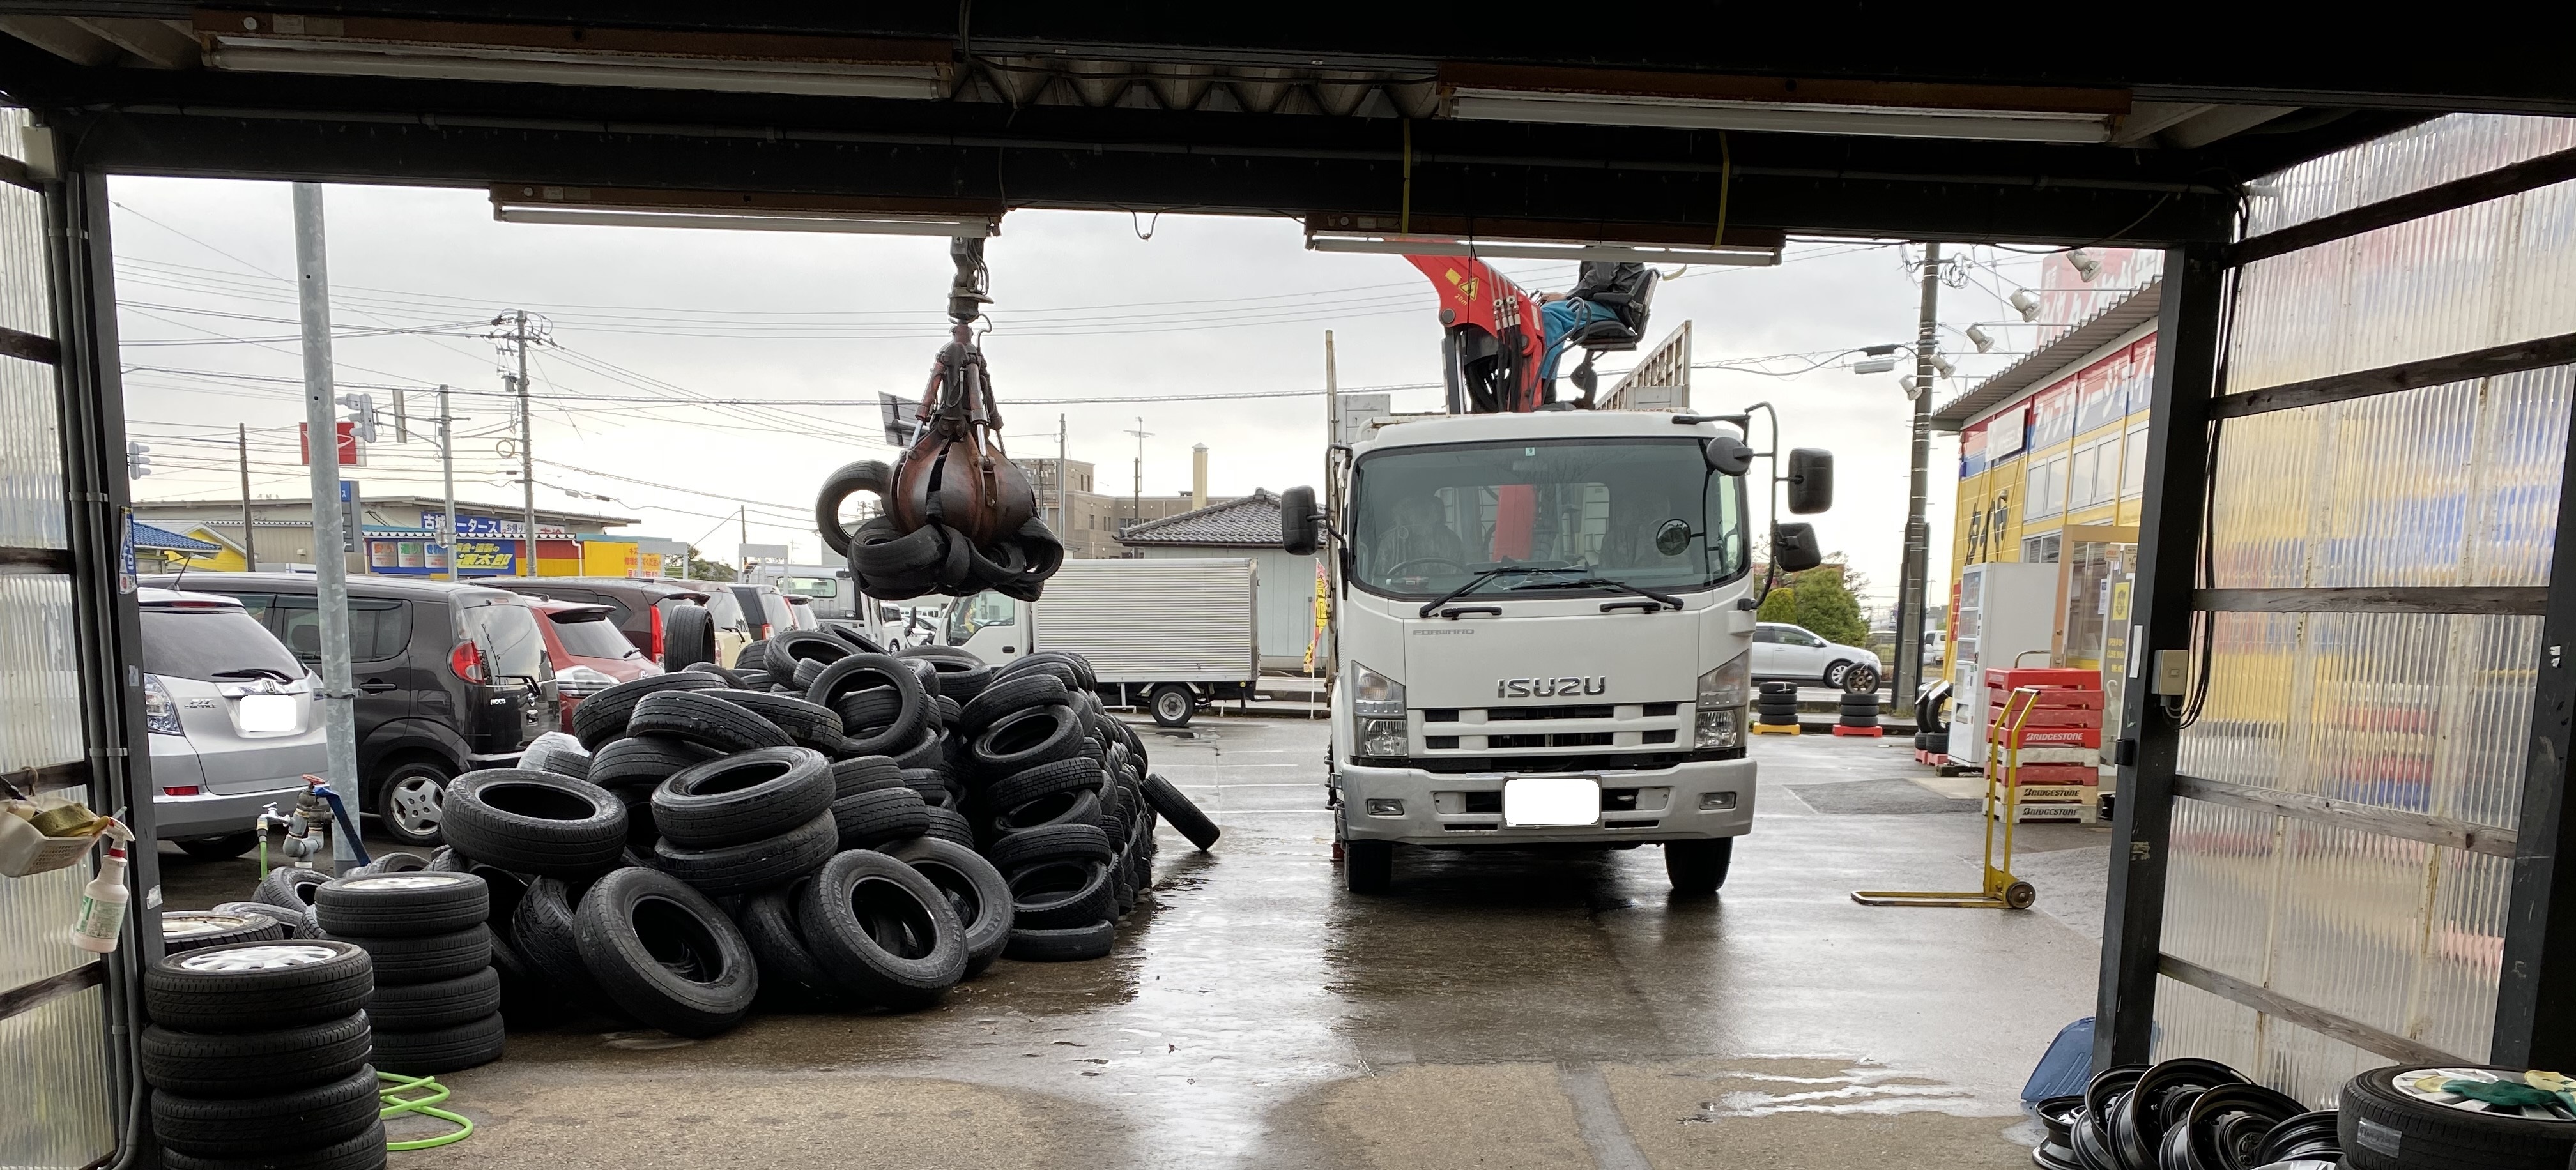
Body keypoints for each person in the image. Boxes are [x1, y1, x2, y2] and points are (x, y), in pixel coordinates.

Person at [1535, 261, 1645, 384]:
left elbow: (1599, 280)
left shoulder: (1607, 249)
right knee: (1552, 309)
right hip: (1613, 306)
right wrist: (1566, 297)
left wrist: (1566, 296)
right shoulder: (1610, 249)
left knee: (1549, 312)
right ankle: (1544, 380)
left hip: (1612, 307)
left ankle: (1544, 384)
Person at [1374, 493, 1468, 575]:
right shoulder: (1391, 542)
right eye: (1409, 516)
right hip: (1397, 590)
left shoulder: (1450, 540)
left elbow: (1459, 577)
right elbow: (1380, 579)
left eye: (1424, 513)